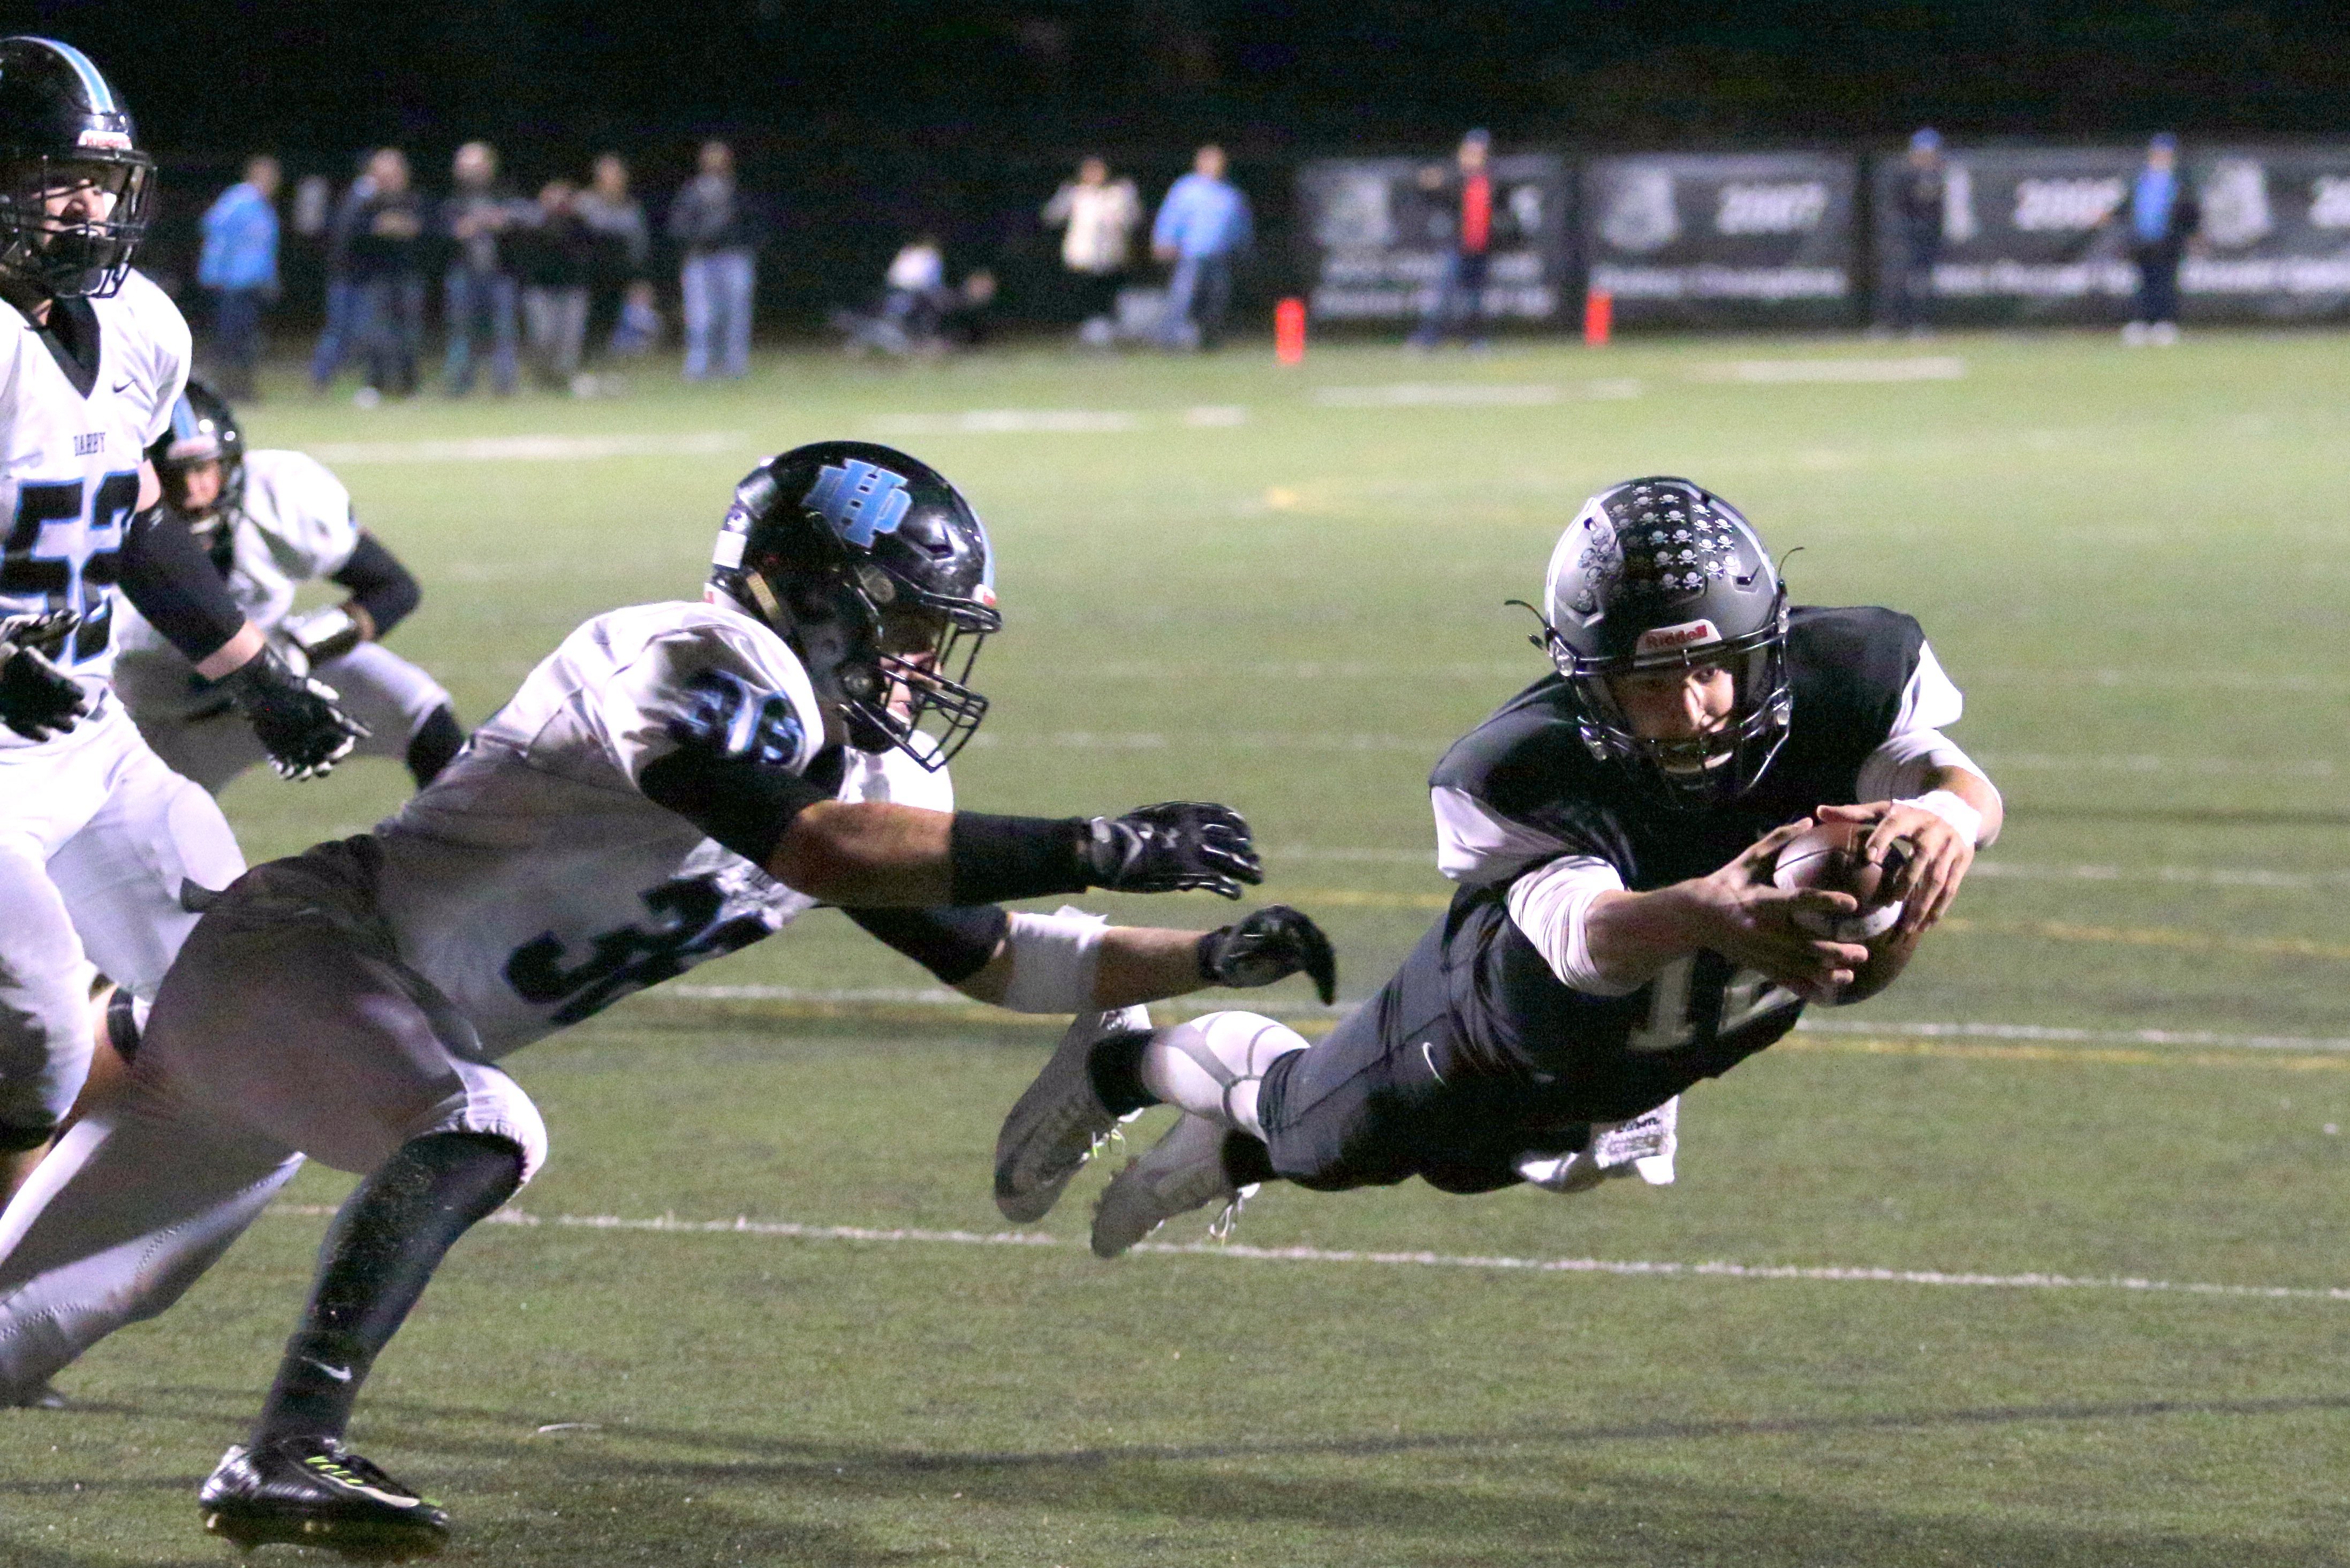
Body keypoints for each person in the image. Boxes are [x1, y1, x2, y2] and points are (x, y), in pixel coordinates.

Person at [0, 440, 1330, 1556]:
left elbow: (995, 954)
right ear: (821, 596)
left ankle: (277, 1433)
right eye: (909, 627)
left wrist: (1205, 958)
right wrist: (1094, 837)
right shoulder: (687, 654)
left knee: (24, 1325)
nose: (924, 666)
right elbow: (808, 846)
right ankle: (289, 1448)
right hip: (312, 951)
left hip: (322, 1025)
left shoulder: (868, 786)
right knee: (479, 1128)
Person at [995, 476, 2005, 1258]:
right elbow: (1581, 943)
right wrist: (1704, 910)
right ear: (1591, 681)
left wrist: (1947, 819)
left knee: (1475, 1169)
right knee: (1323, 1138)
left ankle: (1219, 1149)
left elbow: (1950, 777)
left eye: (1714, 668)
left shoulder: (1855, 670)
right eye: (1653, 681)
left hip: (1640, 1043)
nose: (1696, 707)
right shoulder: (1516, 768)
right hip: (1490, 1019)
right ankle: (1121, 1062)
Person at [0, 37, 366, 1219]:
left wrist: (254, 667)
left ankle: (29, 1297)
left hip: (87, 738)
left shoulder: (142, 326)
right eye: (57, 175)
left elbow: (134, 517)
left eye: (102, 180)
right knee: (39, 1027)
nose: (88, 204)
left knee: (243, 992)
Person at [113, 381, 467, 792]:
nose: (193, 493)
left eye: (203, 469)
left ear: (230, 464)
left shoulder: (277, 494)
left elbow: (394, 589)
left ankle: (462, 848)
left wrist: (301, 645)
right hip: (167, 722)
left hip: (278, 686)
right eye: (174, 476)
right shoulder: (108, 525)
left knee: (421, 712)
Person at [669, 140, 758, 380]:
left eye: (721, 158)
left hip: (735, 258)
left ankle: (734, 368)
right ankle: (699, 367)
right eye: (711, 158)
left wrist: (738, 239)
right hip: (701, 260)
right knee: (701, 318)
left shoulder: (738, 191)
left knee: (736, 316)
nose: (716, 163)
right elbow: (677, 227)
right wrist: (702, 237)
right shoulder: (691, 192)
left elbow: (755, 225)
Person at [343, 148, 425, 402]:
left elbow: (428, 233)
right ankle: (374, 384)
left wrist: (404, 228)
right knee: (376, 334)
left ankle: (409, 387)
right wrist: (377, 228)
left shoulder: (412, 200)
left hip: (407, 277)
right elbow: (349, 236)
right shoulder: (364, 201)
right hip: (375, 278)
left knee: (409, 334)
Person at [1150, 145, 1252, 351]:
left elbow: (1240, 225)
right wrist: (1164, 240)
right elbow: (1170, 217)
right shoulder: (1186, 189)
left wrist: (1243, 246)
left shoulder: (1229, 194)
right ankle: (1170, 341)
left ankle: (1209, 341)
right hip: (1191, 254)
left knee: (1216, 300)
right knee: (1182, 298)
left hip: (1220, 256)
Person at [439, 141, 521, 396]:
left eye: (476, 165)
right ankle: (459, 386)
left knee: (504, 332)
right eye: (464, 166)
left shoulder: (505, 193)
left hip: (500, 275)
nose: (470, 171)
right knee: (461, 332)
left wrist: (502, 224)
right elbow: (443, 233)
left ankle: (504, 387)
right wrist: (466, 228)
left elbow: (519, 227)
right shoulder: (452, 198)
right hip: (463, 275)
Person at [195, 155, 279, 399]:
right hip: (233, 284)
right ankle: (228, 389)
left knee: (247, 339)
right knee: (230, 339)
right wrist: (214, 273)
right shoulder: (239, 199)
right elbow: (214, 229)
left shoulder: (262, 205)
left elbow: (264, 248)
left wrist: (270, 279)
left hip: (253, 283)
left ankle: (244, 389)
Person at [1407, 129, 1495, 351]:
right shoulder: (1455, 177)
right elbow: (1431, 187)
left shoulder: (1489, 178)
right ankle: (1427, 339)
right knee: (1445, 295)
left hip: (1482, 248)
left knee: (1475, 299)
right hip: (1459, 246)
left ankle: (1475, 341)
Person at [1041, 156, 1141, 346]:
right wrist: (1065, 195)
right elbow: (1051, 217)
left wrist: (1127, 200)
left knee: (1108, 299)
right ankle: (1086, 336)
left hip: (1111, 257)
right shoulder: (1076, 193)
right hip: (1082, 258)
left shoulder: (1117, 193)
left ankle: (1105, 338)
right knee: (1084, 298)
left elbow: (1133, 221)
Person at [512, 179, 596, 391]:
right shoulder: (533, 222)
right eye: (552, 197)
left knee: (570, 339)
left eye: (562, 197)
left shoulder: (579, 223)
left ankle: (564, 381)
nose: (557, 202)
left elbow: (591, 249)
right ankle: (543, 379)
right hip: (540, 288)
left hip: (573, 287)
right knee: (543, 335)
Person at [2122, 134, 2199, 346]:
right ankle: (2142, 322)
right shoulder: (2141, 178)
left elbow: (2191, 210)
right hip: (2142, 241)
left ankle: (2164, 323)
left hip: (2169, 242)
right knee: (2143, 283)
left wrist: (2192, 233)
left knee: (2166, 282)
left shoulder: (2180, 181)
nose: (2161, 157)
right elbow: (2128, 205)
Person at [307, 153, 375, 394]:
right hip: (351, 276)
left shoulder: (352, 195)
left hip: (347, 274)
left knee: (347, 330)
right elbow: (350, 236)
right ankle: (323, 376)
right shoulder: (364, 196)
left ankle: (329, 377)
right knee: (343, 330)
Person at [574, 152, 649, 360]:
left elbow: (639, 245)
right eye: (608, 175)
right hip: (587, 277)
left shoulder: (631, 208)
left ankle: (601, 363)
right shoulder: (584, 204)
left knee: (609, 323)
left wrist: (639, 279)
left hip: (618, 277)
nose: (613, 180)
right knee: (583, 325)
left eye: (617, 175)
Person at [1885, 128, 1945, 336]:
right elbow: (1897, 207)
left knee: (1923, 281)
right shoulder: (1904, 175)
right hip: (1906, 236)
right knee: (1898, 279)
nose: (1925, 158)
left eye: (1930, 153)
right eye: (1921, 153)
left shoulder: (1943, 175)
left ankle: (1921, 324)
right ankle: (1892, 325)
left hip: (1929, 237)